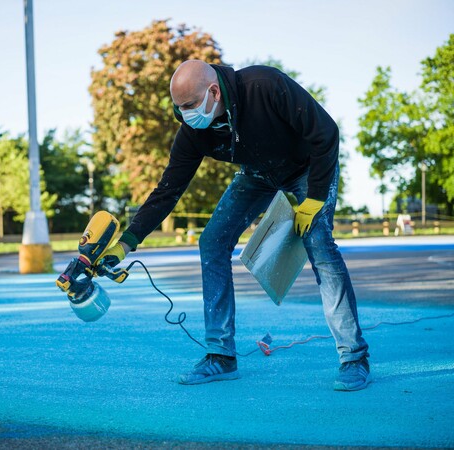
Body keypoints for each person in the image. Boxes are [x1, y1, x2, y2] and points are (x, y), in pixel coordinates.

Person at [99, 59, 371, 391]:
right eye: (179, 107)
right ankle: (221, 356)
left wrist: (314, 198)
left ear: (213, 92)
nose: (184, 114)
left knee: (318, 242)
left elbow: (326, 132)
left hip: (307, 171)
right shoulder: (194, 132)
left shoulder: (264, 86)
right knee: (211, 241)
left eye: (189, 105)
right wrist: (126, 242)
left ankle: (354, 357)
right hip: (257, 175)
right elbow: (168, 190)